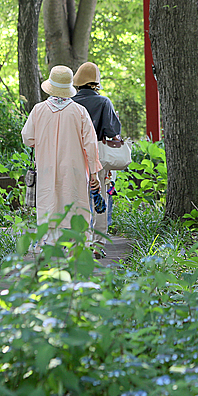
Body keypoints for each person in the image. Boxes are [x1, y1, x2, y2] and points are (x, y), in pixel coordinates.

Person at [21, 65, 102, 248]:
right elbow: (90, 144)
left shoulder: (38, 110)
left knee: (49, 204)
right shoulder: (80, 112)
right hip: (75, 171)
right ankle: (77, 248)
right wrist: (95, 174)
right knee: (75, 205)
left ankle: (48, 248)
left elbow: (27, 137)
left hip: (47, 168)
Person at [71, 62, 122, 255]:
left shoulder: (70, 102)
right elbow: (113, 131)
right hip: (98, 156)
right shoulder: (103, 102)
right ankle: (98, 245)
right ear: (96, 83)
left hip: (74, 156)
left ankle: (78, 242)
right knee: (99, 199)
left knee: (77, 200)